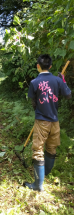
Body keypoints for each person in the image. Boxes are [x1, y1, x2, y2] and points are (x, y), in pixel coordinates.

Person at [24, 55, 71, 192]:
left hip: (42, 121)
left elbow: (33, 102)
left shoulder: (34, 82)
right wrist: (63, 81)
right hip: (55, 122)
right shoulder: (57, 80)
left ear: (38, 66)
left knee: (38, 150)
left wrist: (39, 112)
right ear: (50, 66)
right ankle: (46, 174)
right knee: (51, 148)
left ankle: (38, 185)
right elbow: (68, 95)